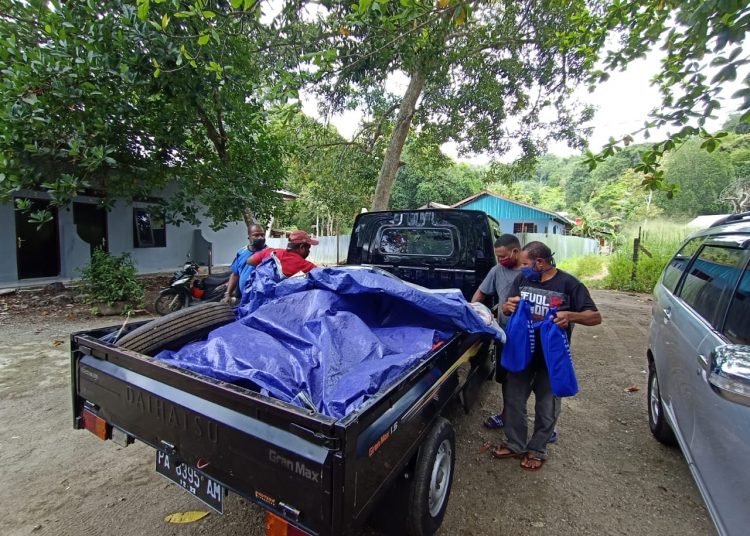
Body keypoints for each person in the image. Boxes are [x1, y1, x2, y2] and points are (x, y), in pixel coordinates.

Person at [494, 241, 601, 471]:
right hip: (522, 353)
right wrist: (507, 307)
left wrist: (570, 316)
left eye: (526, 264)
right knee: (513, 400)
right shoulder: (523, 280)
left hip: (550, 358)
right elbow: (506, 306)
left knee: (547, 406)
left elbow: (594, 316)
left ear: (540, 263)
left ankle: (537, 449)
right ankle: (515, 444)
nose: (522, 268)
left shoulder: (569, 284)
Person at [471, 234, 522, 430]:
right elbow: (481, 293)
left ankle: (544, 425)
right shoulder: (497, 270)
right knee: (506, 377)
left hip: (529, 336)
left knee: (534, 380)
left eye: (502, 256)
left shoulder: (531, 271)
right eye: (497, 256)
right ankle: (506, 415)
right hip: (506, 335)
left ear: (515, 251)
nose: (499, 260)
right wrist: (470, 311)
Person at [223, 224, 266, 303]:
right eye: (256, 235)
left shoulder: (269, 253)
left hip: (261, 299)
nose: (260, 237)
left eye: (262, 235)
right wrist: (228, 294)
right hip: (242, 298)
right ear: (249, 237)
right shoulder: (241, 252)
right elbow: (235, 274)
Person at [247, 229, 318, 277]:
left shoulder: (271, 252)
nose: (309, 251)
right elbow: (322, 275)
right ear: (301, 247)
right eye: (308, 248)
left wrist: (269, 270)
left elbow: (249, 261)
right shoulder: (306, 266)